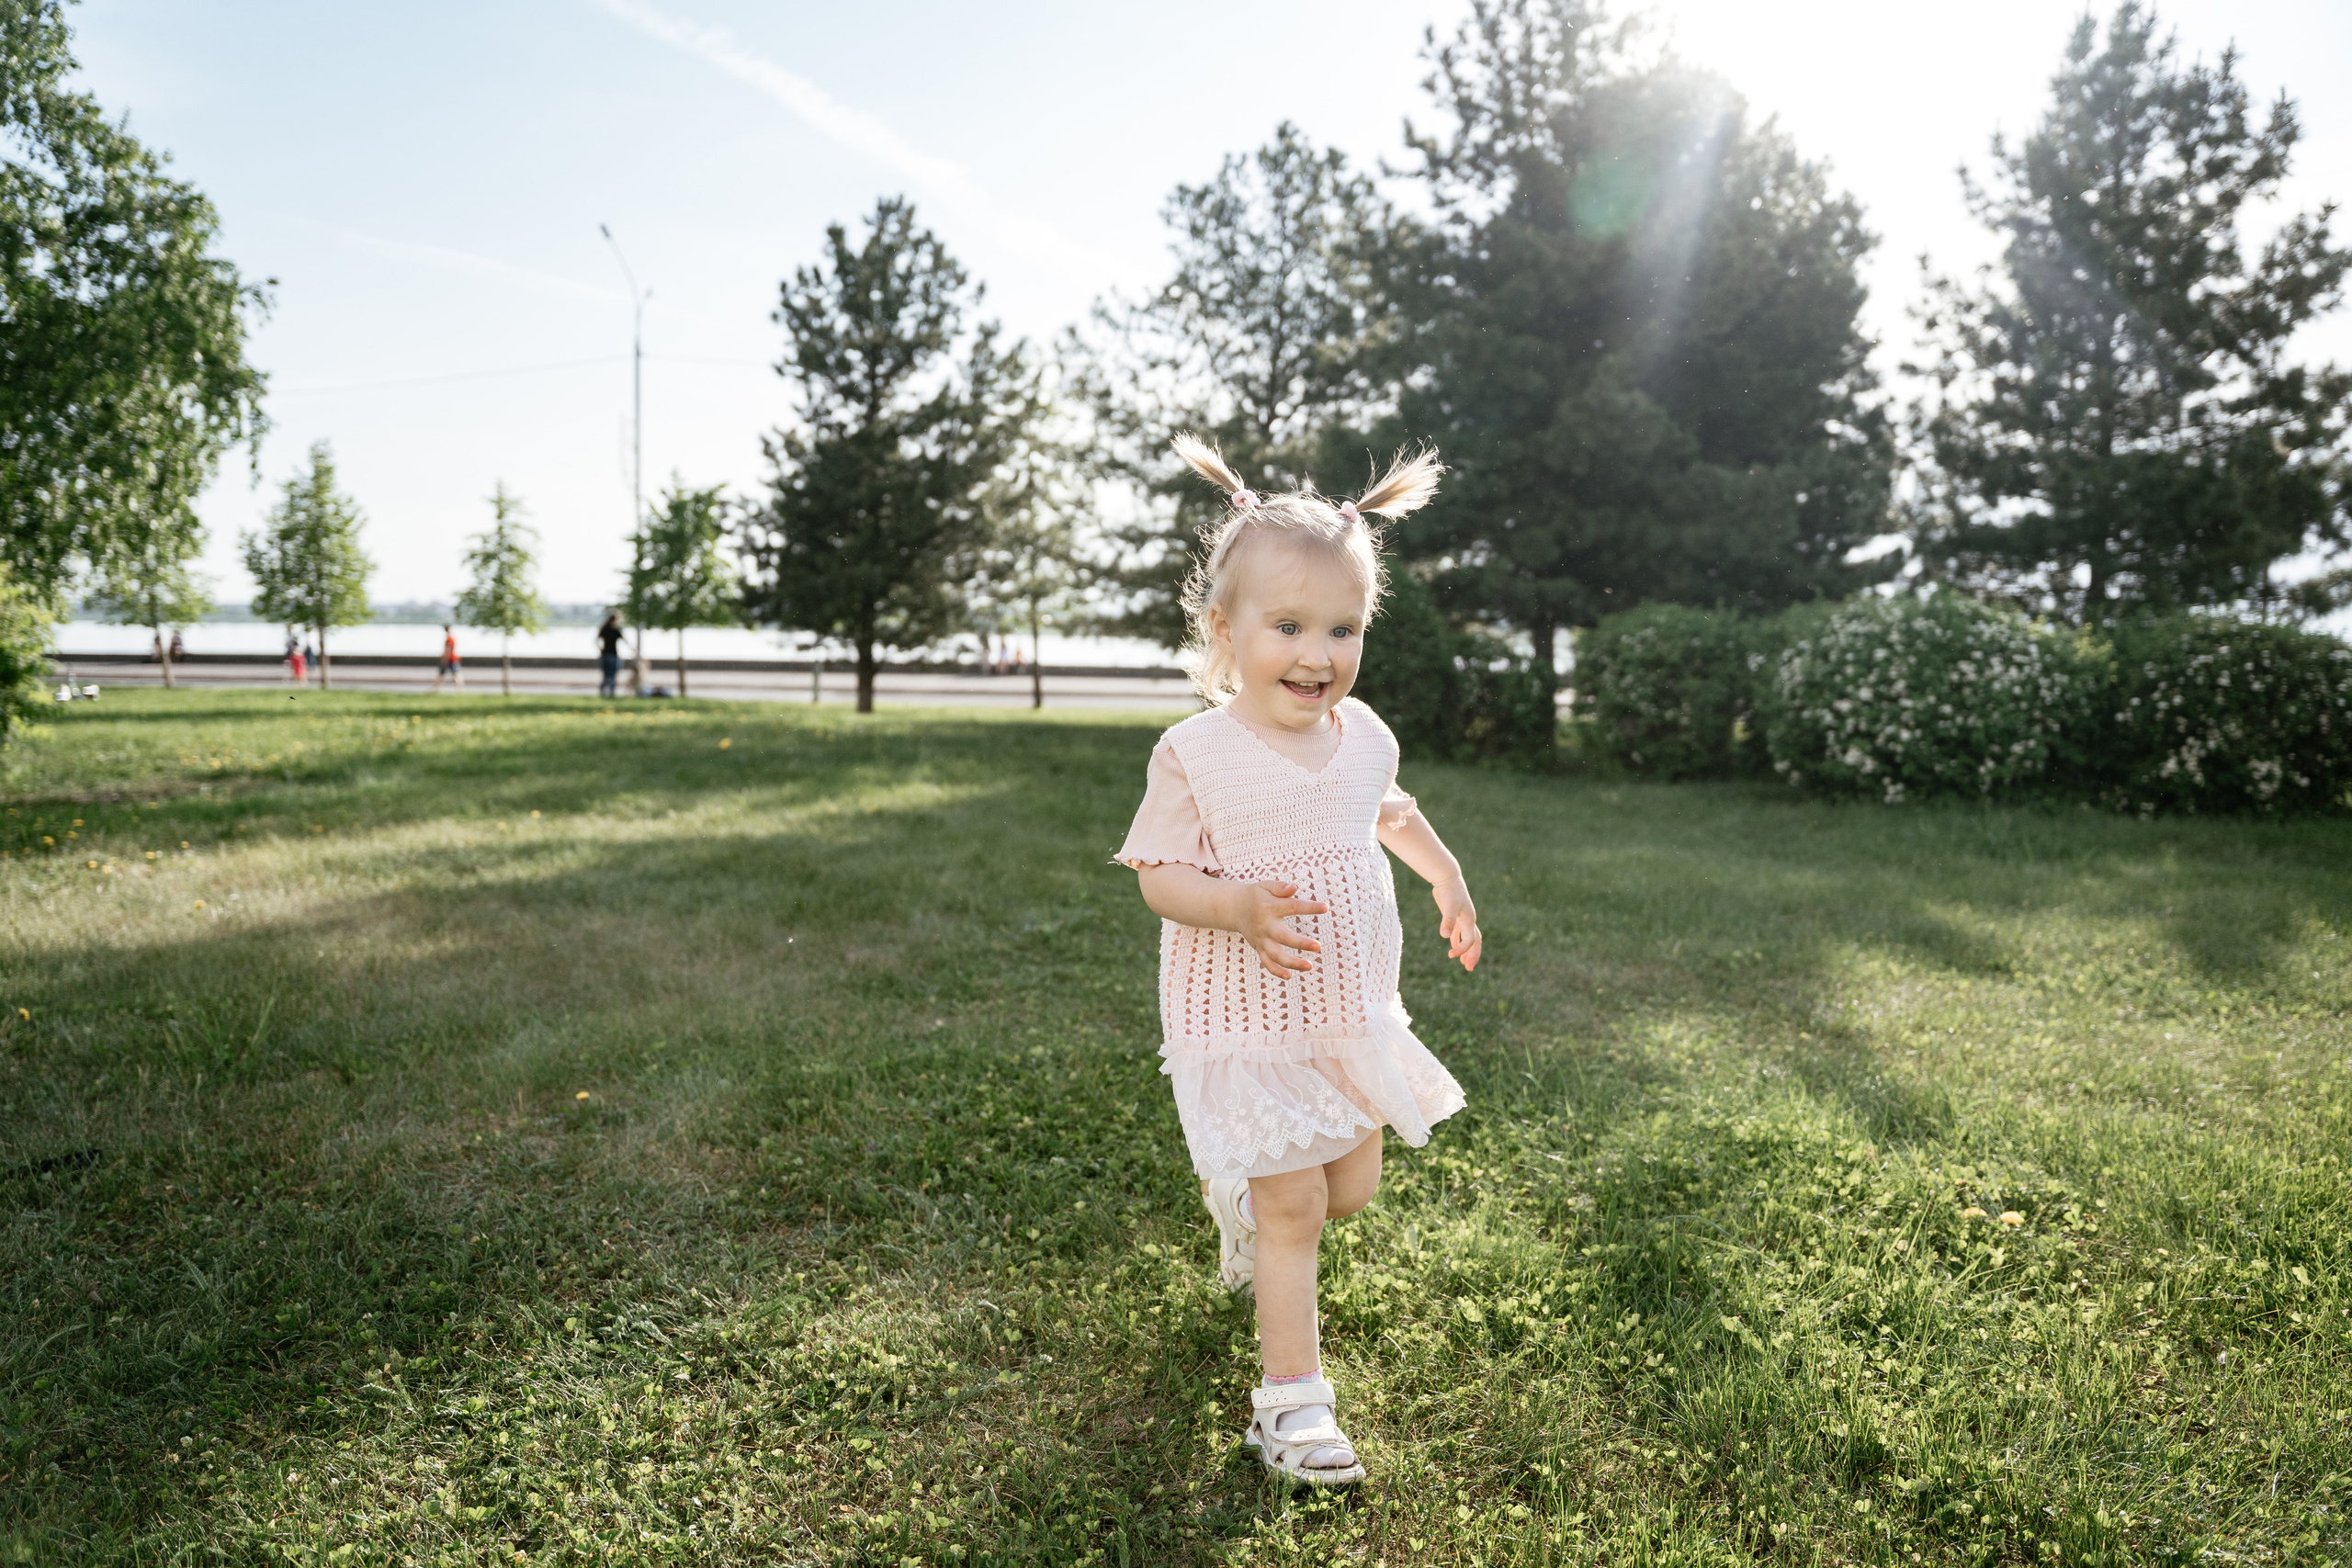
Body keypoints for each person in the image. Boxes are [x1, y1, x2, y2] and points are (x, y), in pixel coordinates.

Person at [1114, 435, 1483, 1488]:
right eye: (1287, 627)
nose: (1316, 653)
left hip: (1345, 1011)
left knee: (1348, 1187)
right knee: (1298, 1208)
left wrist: (1447, 878)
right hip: (1242, 1015)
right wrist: (1233, 904)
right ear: (1225, 631)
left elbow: (1390, 814)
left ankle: (1239, 1207)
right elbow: (1157, 876)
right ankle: (1290, 1408)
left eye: (1341, 628)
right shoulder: (1197, 753)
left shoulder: (1361, 734)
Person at [596, 612, 625, 698]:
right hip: (613, 655)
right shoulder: (616, 630)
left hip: (604, 655)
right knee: (612, 675)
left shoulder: (604, 629)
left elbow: (597, 641)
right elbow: (625, 641)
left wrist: (601, 651)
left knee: (605, 676)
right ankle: (612, 693)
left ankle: (602, 692)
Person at [434, 624, 462, 693]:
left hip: (451, 659)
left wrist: (445, 658)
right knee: (447, 674)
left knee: (453, 674)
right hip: (452, 658)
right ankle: (436, 688)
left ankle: (458, 689)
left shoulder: (449, 639)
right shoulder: (451, 637)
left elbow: (448, 650)